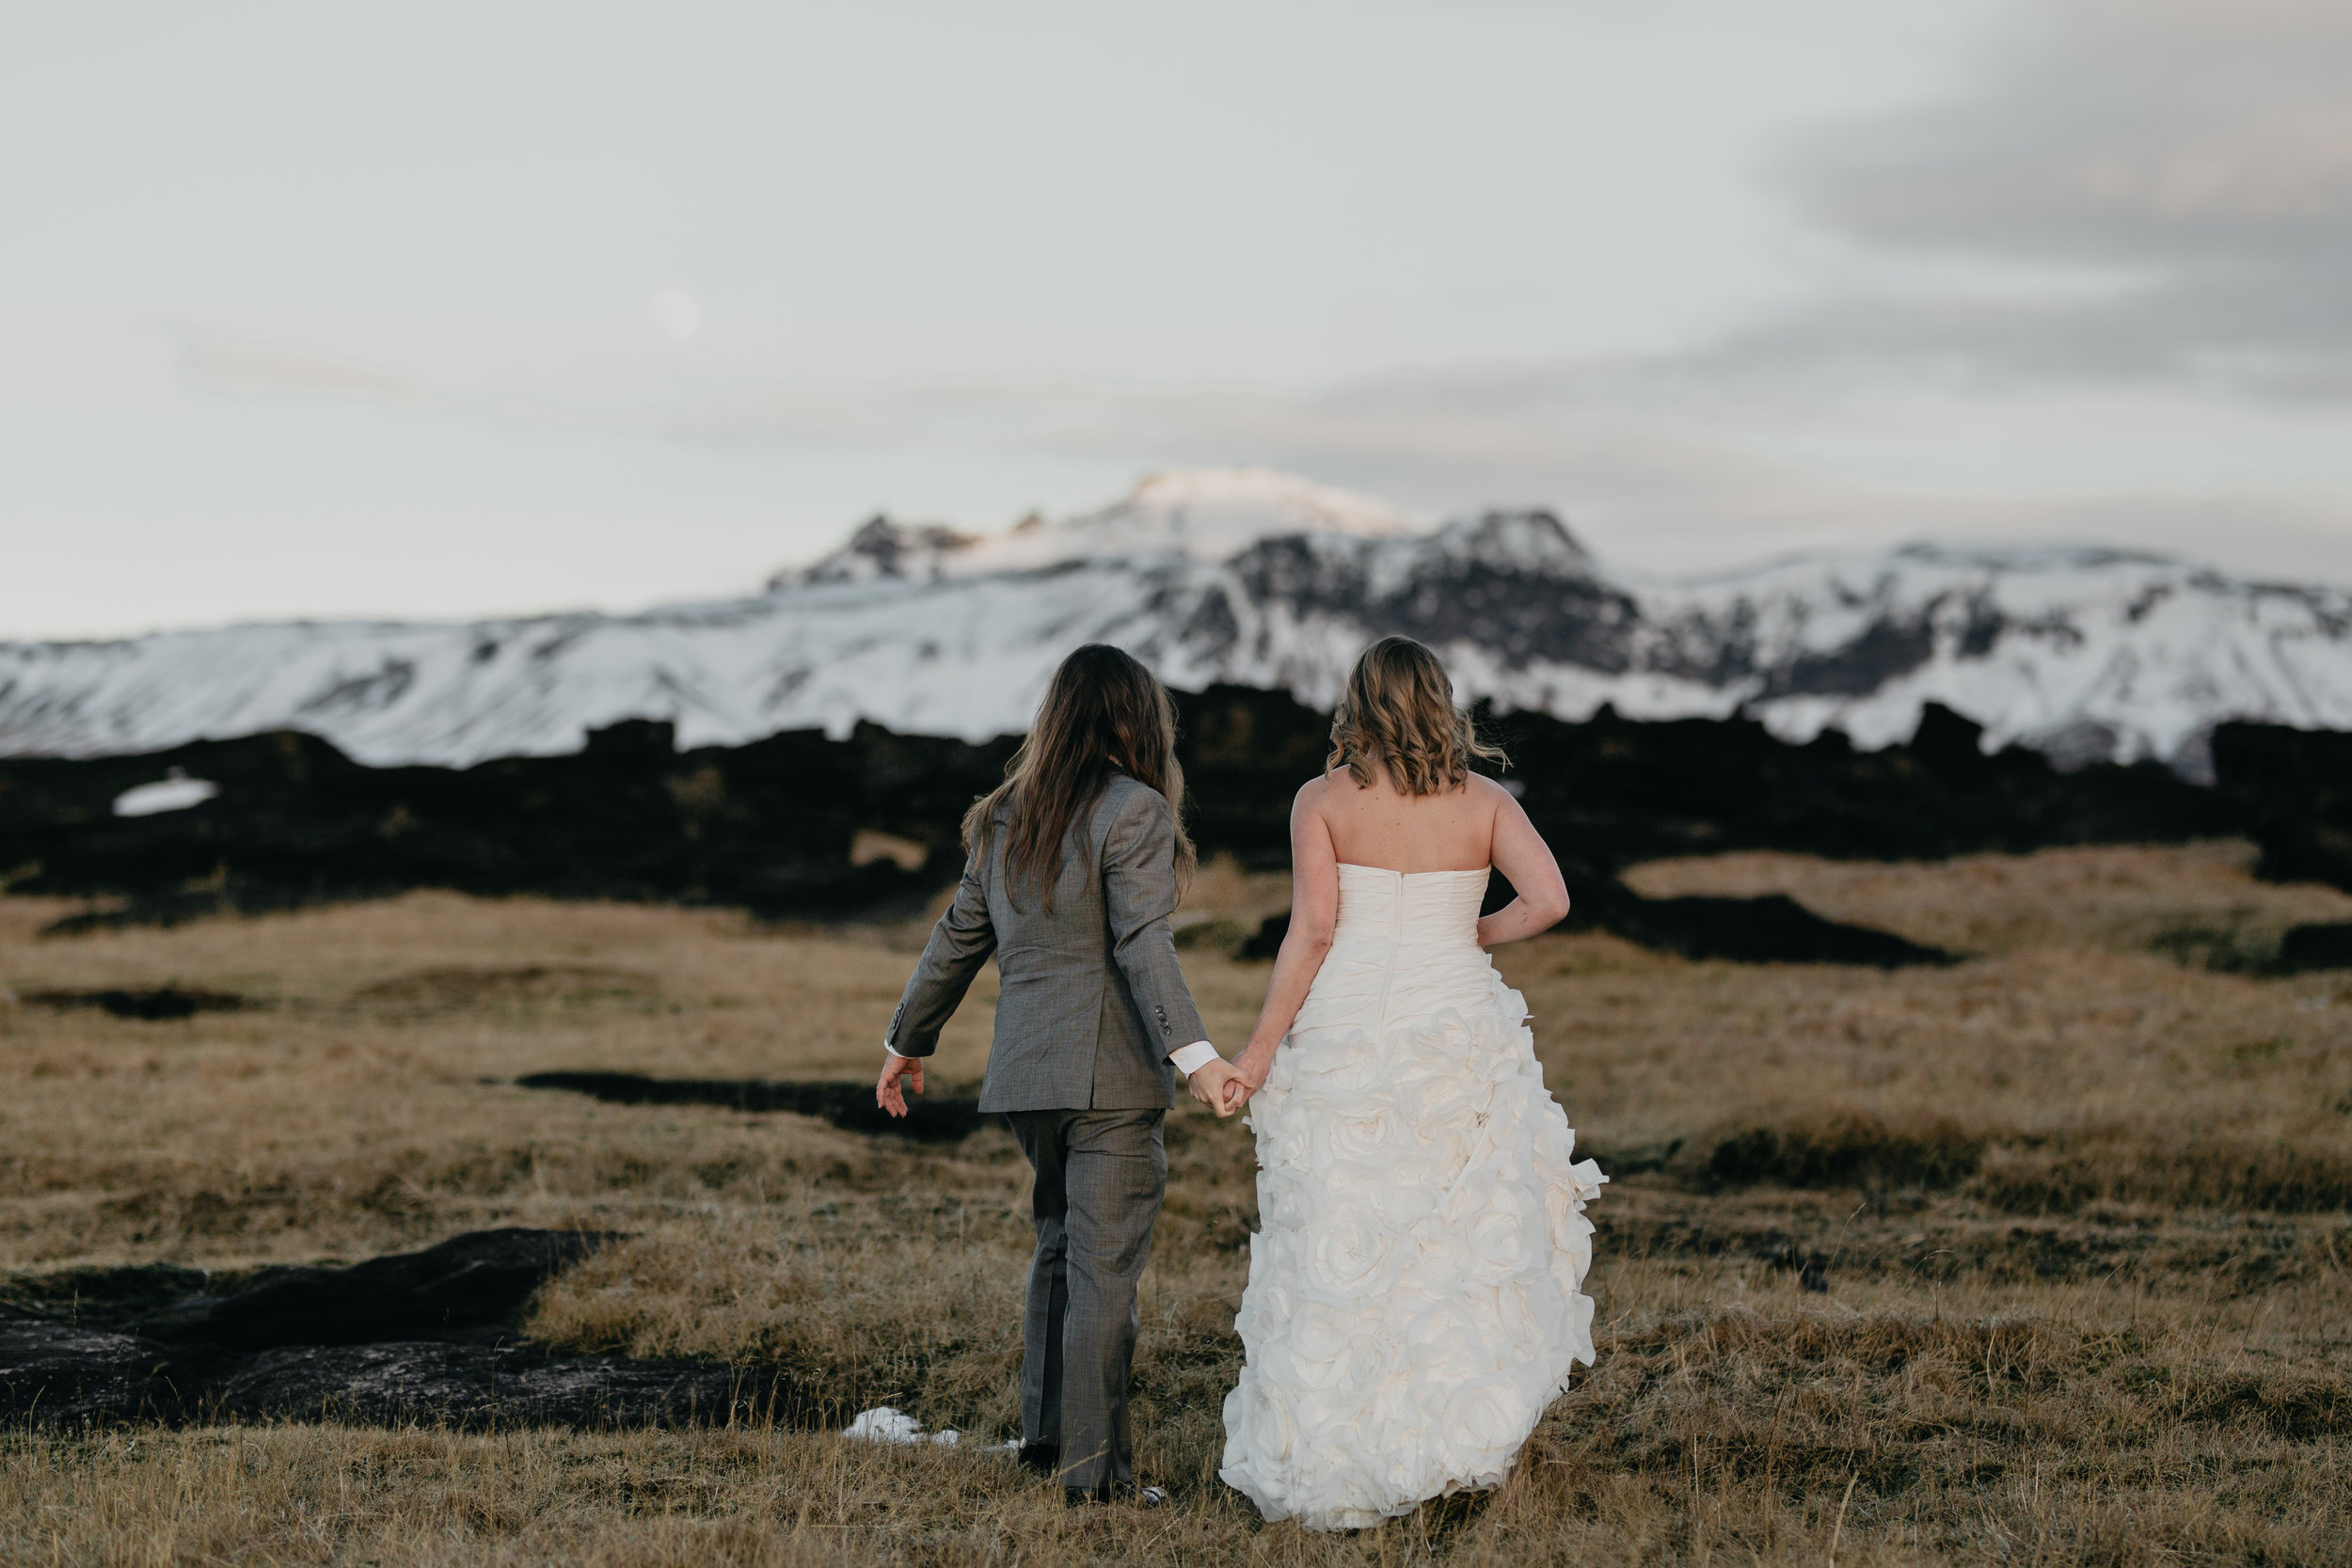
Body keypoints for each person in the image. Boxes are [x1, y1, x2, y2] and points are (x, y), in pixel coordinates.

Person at [1216, 635, 1608, 1530]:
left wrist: (1260, 1049)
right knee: (1449, 1239)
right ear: (1441, 701)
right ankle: (1451, 1437)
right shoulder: (1485, 801)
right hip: (1454, 1031)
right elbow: (1551, 900)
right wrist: (1473, 935)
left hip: (1348, 1030)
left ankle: (1337, 1436)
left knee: (1342, 1226)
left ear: (1359, 703)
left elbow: (1313, 930)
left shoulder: (1321, 800)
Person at [876, 642, 1247, 1505]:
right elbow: (1141, 943)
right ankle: (1095, 1480)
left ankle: (1045, 1441)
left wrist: (908, 1040)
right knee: (1102, 1273)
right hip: (1109, 1079)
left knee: (1058, 1245)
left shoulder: (1005, 813)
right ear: (1136, 718)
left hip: (1025, 1077)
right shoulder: (1137, 810)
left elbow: (957, 935)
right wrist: (1197, 1057)